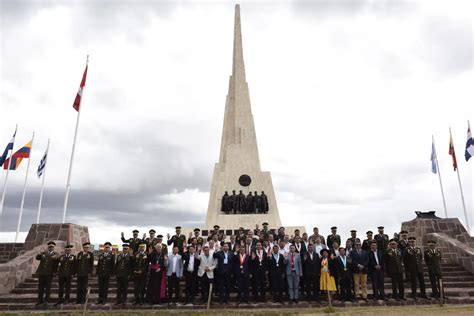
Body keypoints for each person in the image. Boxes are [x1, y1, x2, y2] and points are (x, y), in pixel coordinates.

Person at [35, 241, 58, 305]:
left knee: (48, 287)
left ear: (54, 247)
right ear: (48, 247)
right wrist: (39, 254)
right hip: (42, 272)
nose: (51, 248)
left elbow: (56, 264)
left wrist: (55, 272)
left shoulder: (55, 254)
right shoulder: (43, 253)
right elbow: (37, 258)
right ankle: (40, 300)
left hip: (49, 273)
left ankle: (46, 300)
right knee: (40, 287)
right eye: (50, 247)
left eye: (52, 247)